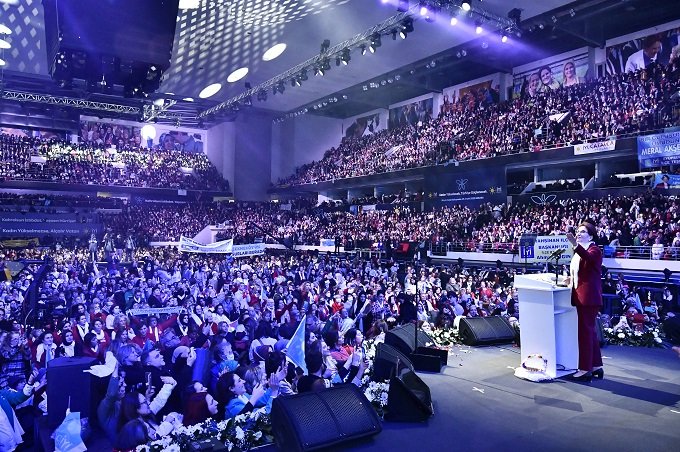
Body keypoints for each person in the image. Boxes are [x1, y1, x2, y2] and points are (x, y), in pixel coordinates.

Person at [565, 221, 604, 381]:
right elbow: (584, 271)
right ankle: (596, 366)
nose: (579, 234)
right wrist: (571, 278)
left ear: (591, 235)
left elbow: (588, 258)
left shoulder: (594, 250)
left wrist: (575, 244)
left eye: (583, 232)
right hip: (583, 295)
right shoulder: (580, 251)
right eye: (578, 231)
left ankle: (584, 369)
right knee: (590, 332)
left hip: (588, 298)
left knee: (585, 333)